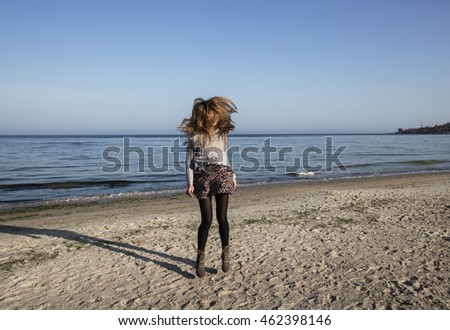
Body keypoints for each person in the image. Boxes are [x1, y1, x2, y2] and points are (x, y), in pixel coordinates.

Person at [178, 96, 237, 278]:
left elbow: (225, 156)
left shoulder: (222, 132)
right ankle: (200, 258)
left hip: (222, 173)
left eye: (217, 113)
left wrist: (233, 175)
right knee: (206, 220)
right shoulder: (194, 135)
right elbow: (189, 162)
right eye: (212, 113)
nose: (215, 116)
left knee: (222, 218)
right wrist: (189, 183)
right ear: (205, 114)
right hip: (202, 176)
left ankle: (225, 254)